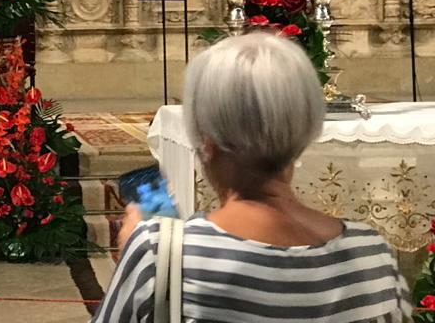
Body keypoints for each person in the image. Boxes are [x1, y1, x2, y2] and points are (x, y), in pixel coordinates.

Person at [94, 32, 410, 323]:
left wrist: (139, 259)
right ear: (305, 128)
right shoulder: (371, 252)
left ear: (207, 138)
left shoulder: (165, 252)